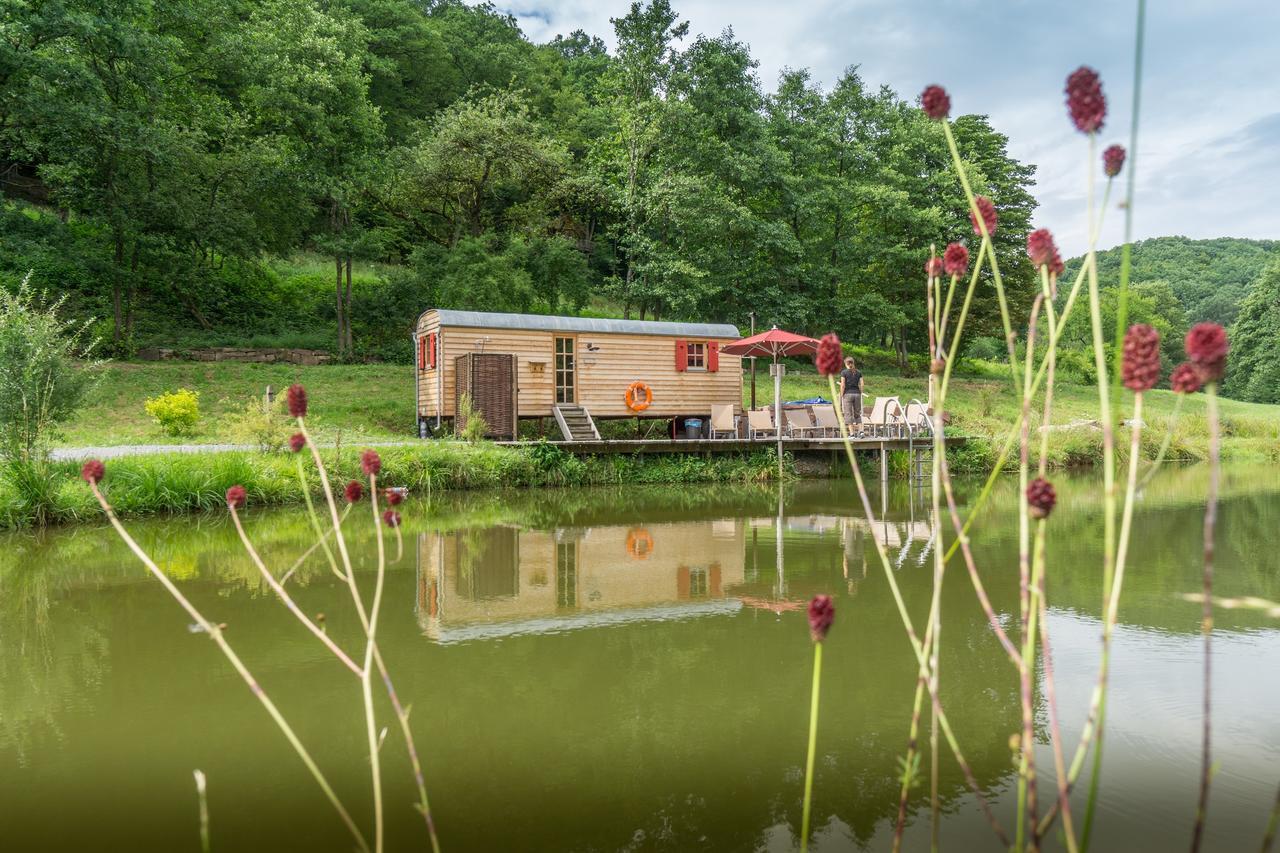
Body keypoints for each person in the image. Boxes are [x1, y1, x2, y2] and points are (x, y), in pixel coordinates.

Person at [838, 357, 863, 433]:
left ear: (846, 364)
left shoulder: (844, 372)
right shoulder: (858, 372)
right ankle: (861, 432)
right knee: (857, 414)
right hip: (857, 394)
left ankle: (852, 434)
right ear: (853, 363)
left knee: (848, 414)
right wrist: (860, 393)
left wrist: (841, 395)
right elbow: (862, 384)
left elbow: (842, 385)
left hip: (848, 394)